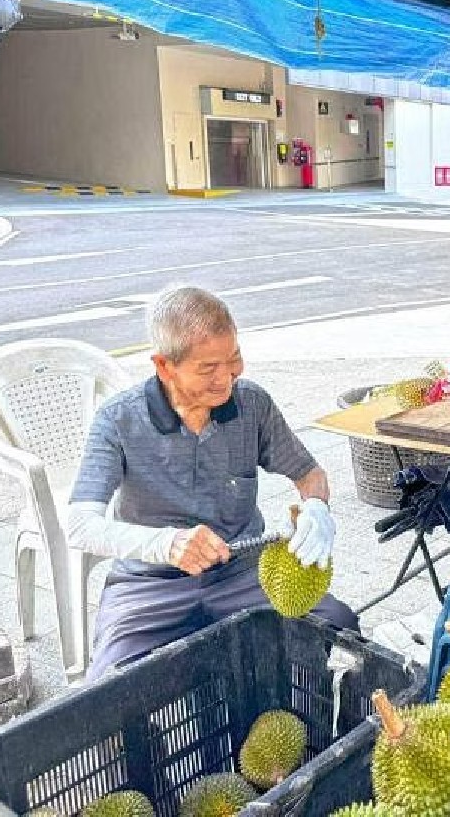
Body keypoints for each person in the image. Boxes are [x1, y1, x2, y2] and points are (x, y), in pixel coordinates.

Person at [68, 286, 358, 680]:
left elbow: (309, 474)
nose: (227, 378)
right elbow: (80, 525)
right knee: (107, 688)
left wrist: (317, 508)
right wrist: (165, 544)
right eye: (208, 368)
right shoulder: (118, 420)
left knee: (340, 625)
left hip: (243, 572)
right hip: (151, 585)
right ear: (165, 366)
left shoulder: (252, 404)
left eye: (234, 359)